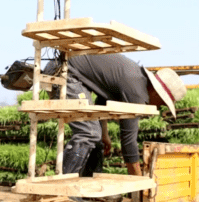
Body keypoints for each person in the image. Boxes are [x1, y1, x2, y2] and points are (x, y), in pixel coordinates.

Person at [46, 54, 187, 177]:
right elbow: (128, 143)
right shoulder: (137, 93)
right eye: (162, 103)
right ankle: (66, 188)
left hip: (69, 72)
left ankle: (89, 188)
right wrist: (139, 184)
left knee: (96, 137)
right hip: (64, 72)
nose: (158, 107)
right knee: (89, 133)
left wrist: (104, 134)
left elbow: (101, 101)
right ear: (157, 93)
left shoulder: (136, 80)